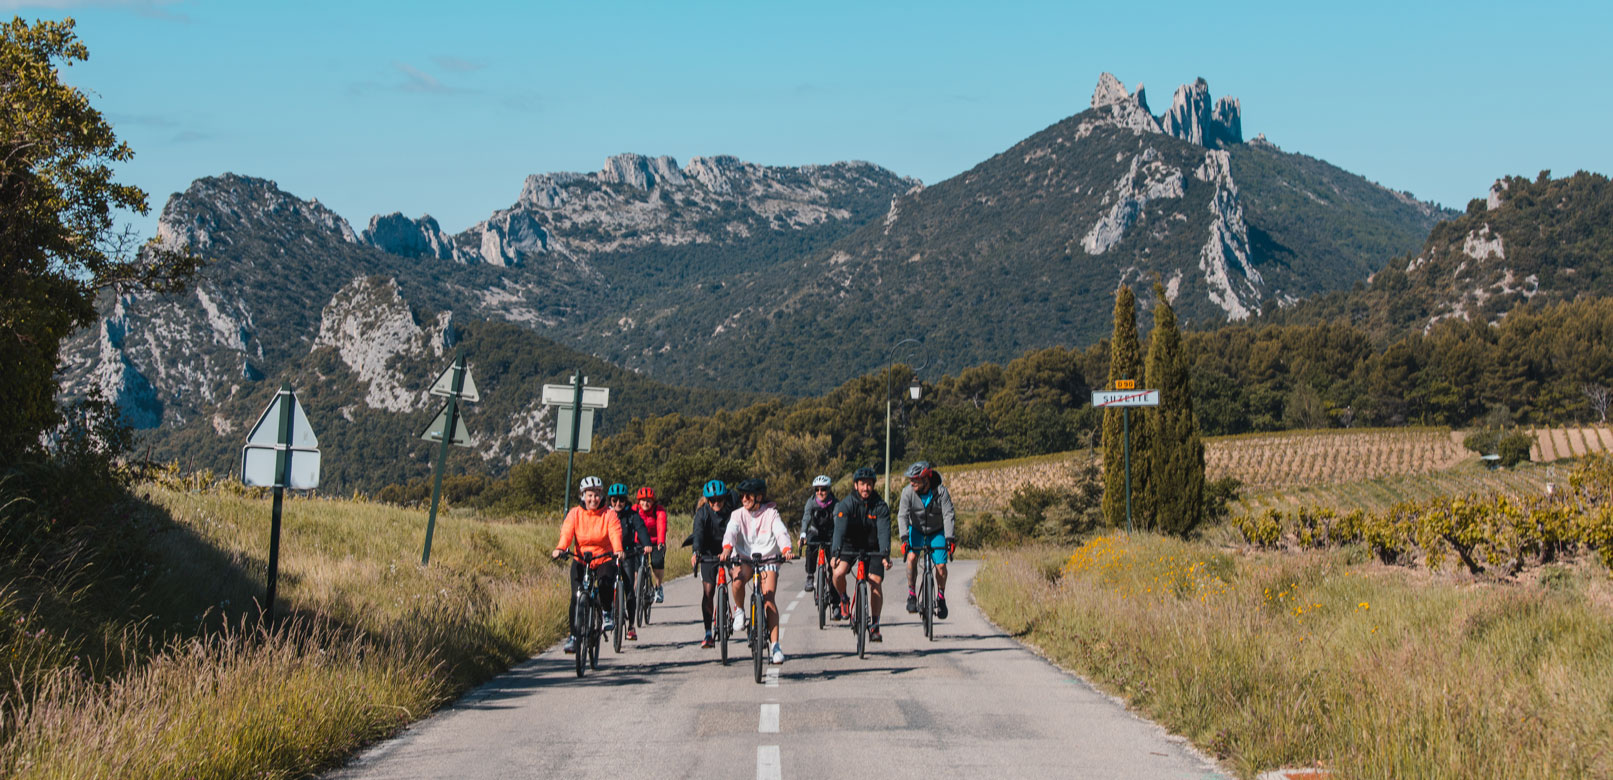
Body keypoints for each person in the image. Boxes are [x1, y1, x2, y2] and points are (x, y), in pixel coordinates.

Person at [721, 478, 793, 664]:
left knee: (768, 599)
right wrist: (727, 547)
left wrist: (786, 549)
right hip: (745, 558)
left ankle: (776, 646)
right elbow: (731, 531)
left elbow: (780, 531)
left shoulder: (771, 514)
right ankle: (739, 611)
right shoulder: (737, 515)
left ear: (759, 497)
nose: (743, 499)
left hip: (768, 559)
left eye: (748, 496)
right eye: (742, 495)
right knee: (737, 580)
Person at [551, 476, 624, 654]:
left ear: (601, 496)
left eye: (597, 495)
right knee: (576, 597)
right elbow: (567, 532)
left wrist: (618, 549)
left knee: (606, 583)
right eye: (590, 495)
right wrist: (561, 548)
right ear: (583, 495)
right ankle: (574, 637)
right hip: (581, 558)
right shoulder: (575, 513)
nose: (593, 499)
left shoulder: (609, 514)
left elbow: (615, 532)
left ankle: (606, 612)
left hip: (604, 558)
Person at [830, 466, 892, 642]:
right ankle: (843, 598)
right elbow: (839, 531)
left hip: (873, 547)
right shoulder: (846, 504)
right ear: (855, 485)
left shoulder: (880, 506)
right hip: (850, 545)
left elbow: (884, 532)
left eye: (869, 484)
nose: (866, 488)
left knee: (875, 581)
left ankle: (875, 625)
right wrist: (835, 553)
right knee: (838, 572)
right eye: (862, 484)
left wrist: (885, 555)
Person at [897, 461, 956, 619]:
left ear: (926, 479)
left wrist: (950, 539)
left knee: (941, 567)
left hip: (937, 531)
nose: (912, 482)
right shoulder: (907, 492)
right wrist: (904, 538)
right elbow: (902, 515)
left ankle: (941, 597)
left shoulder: (941, 492)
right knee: (911, 558)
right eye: (911, 479)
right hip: (916, 529)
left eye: (915, 479)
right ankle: (911, 594)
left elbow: (948, 514)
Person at [689, 479, 735, 648]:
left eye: (720, 500)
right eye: (712, 501)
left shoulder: (731, 512)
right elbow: (698, 533)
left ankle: (738, 609)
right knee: (708, 591)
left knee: (737, 577)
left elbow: (738, 531)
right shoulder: (702, 513)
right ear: (707, 501)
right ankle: (708, 632)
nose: (717, 503)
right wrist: (696, 552)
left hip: (729, 550)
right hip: (708, 552)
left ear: (725, 498)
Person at [607, 483, 654, 641]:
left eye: (621, 500)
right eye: (614, 500)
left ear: (626, 501)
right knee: (604, 584)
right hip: (609, 553)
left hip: (627, 553)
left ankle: (631, 626)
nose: (618, 504)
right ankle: (607, 613)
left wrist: (647, 543)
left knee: (630, 592)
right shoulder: (606, 514)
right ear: (610, 500)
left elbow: (640, 528)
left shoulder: (632, 515)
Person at [799, 475, 839, 613]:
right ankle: (810, 575)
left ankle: (836, 605)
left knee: (834, 568)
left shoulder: (835, 503)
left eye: (823, 489)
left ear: (829, 489)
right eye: (817, 490)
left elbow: (838, 522)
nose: (820, 492)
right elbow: (806, 518)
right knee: (810, 548)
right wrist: (803, 535)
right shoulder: (811, 502)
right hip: (815, 532)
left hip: (830, 534)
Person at [636, 487, 669, 602]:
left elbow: (661, 526)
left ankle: (658, 587)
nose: (645, 503)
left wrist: (661, 542)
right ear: (639, 501)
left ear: (653, 502)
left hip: (655, 542)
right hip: (639, 542)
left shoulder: (659, 511)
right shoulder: (635, 510)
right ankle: (636, 589)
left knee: (657, 562)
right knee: (634, 566)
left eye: (649, 500)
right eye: (643, 500)